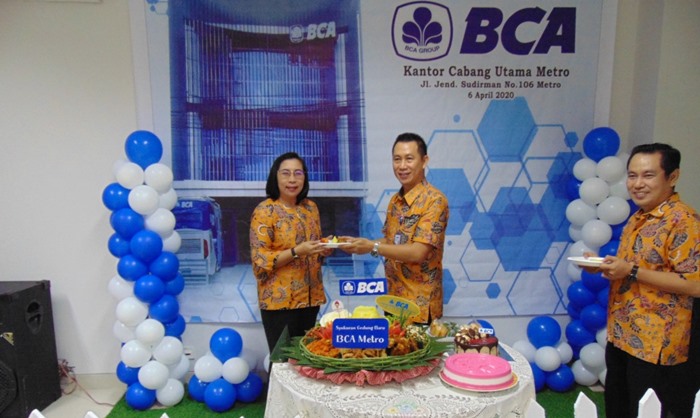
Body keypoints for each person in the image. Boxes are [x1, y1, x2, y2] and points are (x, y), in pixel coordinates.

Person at [585, 143, 700, 418]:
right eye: (632, 175)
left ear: (672, 177)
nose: (637, 184)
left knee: (646, 410)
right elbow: (636, 269)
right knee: (618, 407)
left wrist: (631, 270)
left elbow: (694, 284)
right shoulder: (638, 217)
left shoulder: (684, 221)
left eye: (648, 175)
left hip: (655, 344)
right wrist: (604, 266)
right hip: (622, 333)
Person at [341, 132, 449, 324]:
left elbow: (417, 253)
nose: (402, 166)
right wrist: (360, 245)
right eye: (397, 159)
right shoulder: (395, 201)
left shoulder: (435, 201)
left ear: (424, 161)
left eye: (409, 159)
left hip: (419, 307)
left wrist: (372, 247)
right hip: (393, 301)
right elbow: (391, 241)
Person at [249, 152, 332, 354]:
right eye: (286, 173)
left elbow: (313, 253)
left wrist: (324, 248)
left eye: (298, 173)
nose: (292, 179)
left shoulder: (310, 208)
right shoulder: (265, 211)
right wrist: (296, 251)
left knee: (306, 360)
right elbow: (261, 260)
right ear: (275, 177)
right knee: (282, 362)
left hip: (310, 299)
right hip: (280, 303)